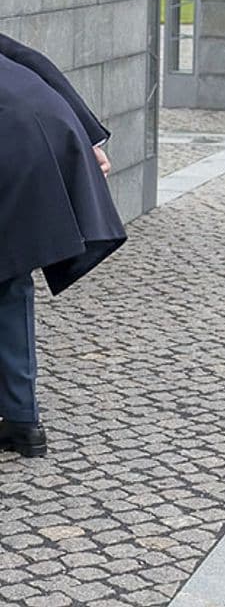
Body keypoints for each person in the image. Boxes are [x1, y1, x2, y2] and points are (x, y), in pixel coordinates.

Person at [0, 34, 127, 458]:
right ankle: (22, 421)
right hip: (44, 122)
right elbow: (30, 58)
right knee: (10, 275)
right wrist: (89, 136)